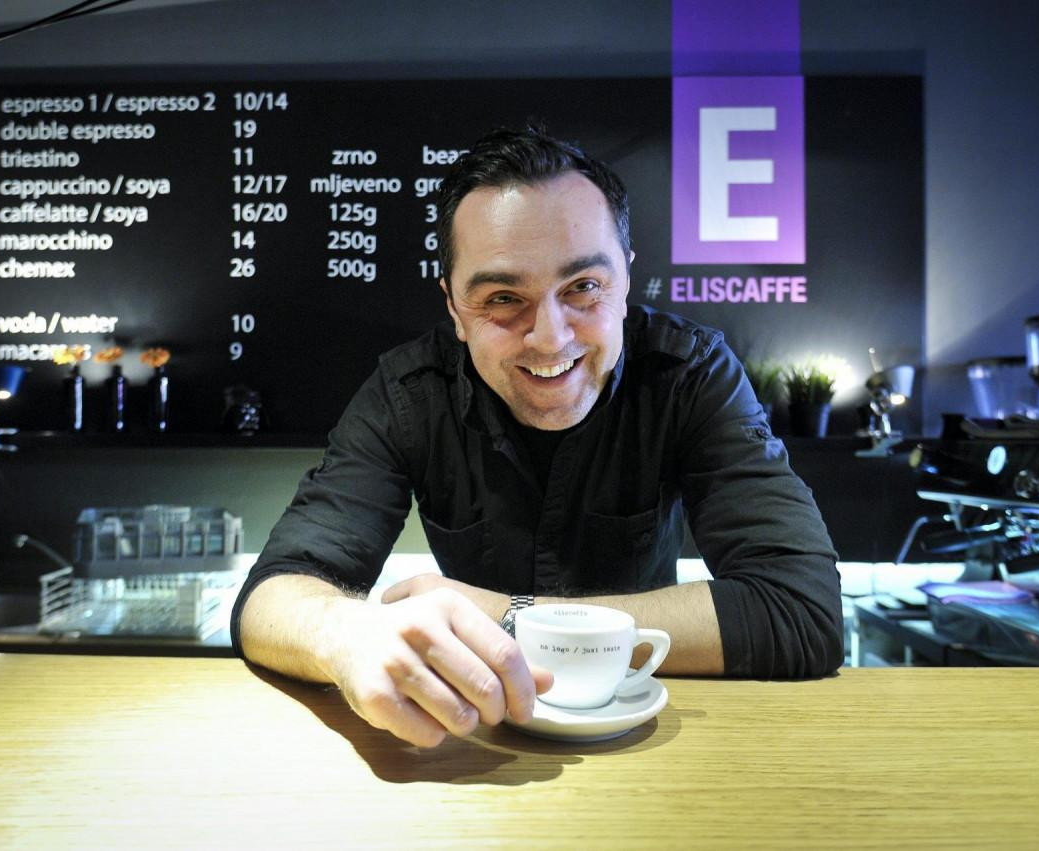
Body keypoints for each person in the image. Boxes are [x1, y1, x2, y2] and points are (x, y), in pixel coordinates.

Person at [232, 127, 841, 748]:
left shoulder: (691, 374)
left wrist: (504, 618)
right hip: (473, 738)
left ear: (625, 282)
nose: (550, 338)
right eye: (503, 298)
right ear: (454, 308)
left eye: (584, 288)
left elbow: (802, 611)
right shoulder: (407, 394)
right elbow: (271, 597)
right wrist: (348, 636)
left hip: (652, 735)